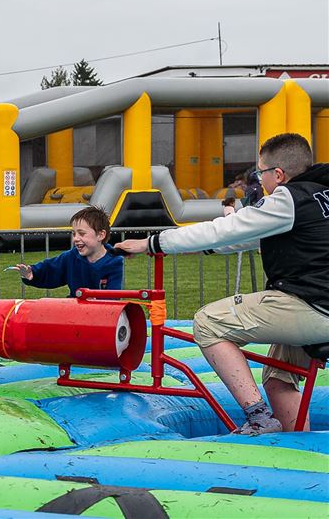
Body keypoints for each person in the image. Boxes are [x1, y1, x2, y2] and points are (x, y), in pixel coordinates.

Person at [116, 133, 329, 435]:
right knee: (278, 378)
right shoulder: (320, 196)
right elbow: (244, 238)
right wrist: (193, 247)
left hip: (310, 305)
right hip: (318, 306)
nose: (259, 180)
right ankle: (298, 447)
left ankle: (259, 417)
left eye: (260, 173)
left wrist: (152, 243)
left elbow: (225, 230)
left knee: (207, 322)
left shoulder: (287, 198)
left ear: (278, 175)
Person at [13, 206, 124, 295]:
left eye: (82, 234)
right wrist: (32, 273)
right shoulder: (71, 257)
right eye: (74, 234)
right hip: (75, 311)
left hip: (102, 315)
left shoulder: (115, 262)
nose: (75, 238)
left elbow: (113, 296)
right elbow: (51, 269)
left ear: (100, 235)